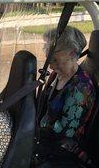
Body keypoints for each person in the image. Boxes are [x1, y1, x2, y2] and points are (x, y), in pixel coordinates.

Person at [38, 26, 95, 158]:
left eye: (55, 60)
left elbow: (65, 132)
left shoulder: (80, 88)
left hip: (63, 149)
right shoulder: (56, 75)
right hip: (45, 138)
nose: (51, 66)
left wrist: (31, 132)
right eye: (49, 60)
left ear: (73, 53)